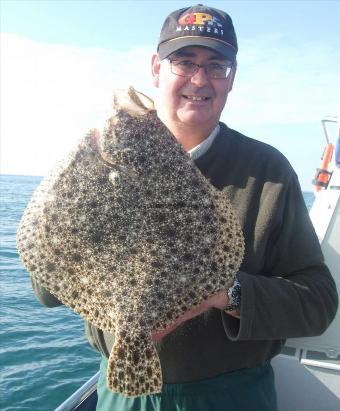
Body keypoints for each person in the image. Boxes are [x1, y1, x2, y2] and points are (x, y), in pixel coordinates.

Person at [31, 4, 338, 411]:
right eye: (184, 62)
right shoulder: (91, 163)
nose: (199, 78)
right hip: (118, 393)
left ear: (231, 78)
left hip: (231, 397)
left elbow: (318, 303)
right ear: (157, 69)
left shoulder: (268, 171)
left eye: (216, 65)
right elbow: (47, 290)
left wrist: (224, 294)